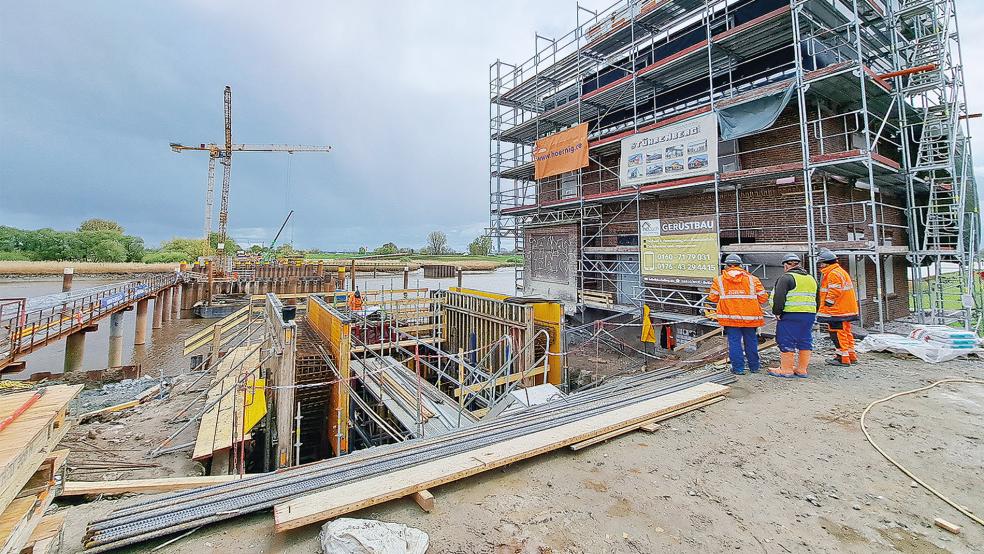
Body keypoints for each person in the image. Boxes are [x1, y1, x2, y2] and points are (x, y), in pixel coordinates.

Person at [707, 253, 769, 375]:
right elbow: (763, 298)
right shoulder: (753, 279)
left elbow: (713, 298)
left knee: (734, 343)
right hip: (750, 318)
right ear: (741, 265)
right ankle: (754, 367)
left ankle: (738, 368)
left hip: (730, 318)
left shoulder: (719, 280)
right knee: (751, 342)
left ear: (726, 265)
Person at [768, 253, 818, 378]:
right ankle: (802, 369)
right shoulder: (811, 278)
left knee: (786, 339)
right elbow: (818, 298)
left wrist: (777, 312)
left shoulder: (786, 278)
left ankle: (786, 370)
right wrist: (813, 312)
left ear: (786, 265)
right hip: (809, 314)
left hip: (790, 314)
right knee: (805, 339)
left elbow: (779, 297)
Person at [816, 249, 859, 366]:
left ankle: (842, 358)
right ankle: (851, 356)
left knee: (837, 333)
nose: (820, 266)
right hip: (845, 309)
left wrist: (827, 303)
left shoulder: (833, 273)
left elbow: (834, 290)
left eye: (821, 263)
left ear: (826, 263)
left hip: (837, 311)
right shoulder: (840, 271)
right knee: (846, 332)